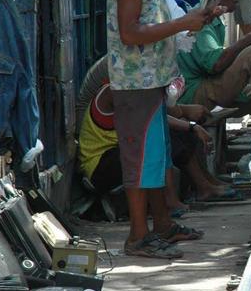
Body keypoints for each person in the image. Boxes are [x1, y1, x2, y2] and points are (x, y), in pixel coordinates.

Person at [108, 0, 214, 259]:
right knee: (141, 160)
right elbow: (130, 31)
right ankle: (138, 236)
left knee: (155, 156)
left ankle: (162, 224)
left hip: (149, 77)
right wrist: (182, 24)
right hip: (136, 79)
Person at [78, 84, 234, 210]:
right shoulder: (113, 92)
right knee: (163, 136)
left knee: (179, 133)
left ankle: (204, 184)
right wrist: (191, 126)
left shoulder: (133, 91)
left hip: (119, 154)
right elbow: (151, 119)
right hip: (100, 167)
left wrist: (191, 126)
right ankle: (176, 198)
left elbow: (158, 113)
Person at [176, 0, 251, 131]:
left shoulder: (214, 18)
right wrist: (248, 40)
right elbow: (215, 65)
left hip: (206, 85)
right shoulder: (201, 17)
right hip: (193, 94)